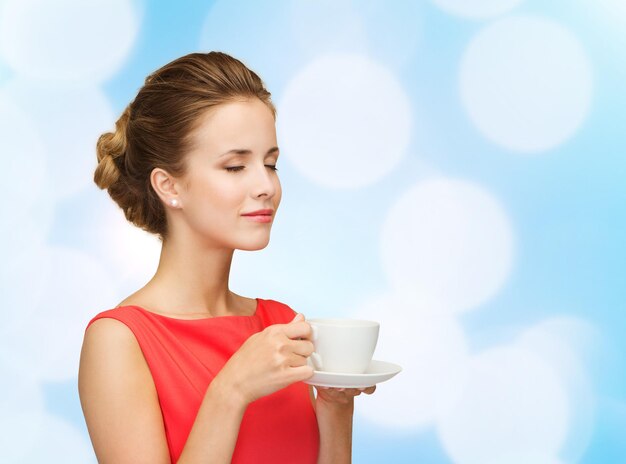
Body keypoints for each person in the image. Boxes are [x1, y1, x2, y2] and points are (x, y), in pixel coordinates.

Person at [78, 51, 375, 464]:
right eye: (236, 166)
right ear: (169, 186)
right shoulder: (119, 341)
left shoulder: (281, 327)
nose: (266, 185)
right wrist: (230, 391)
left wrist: (336, 407)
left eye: (271, 164)